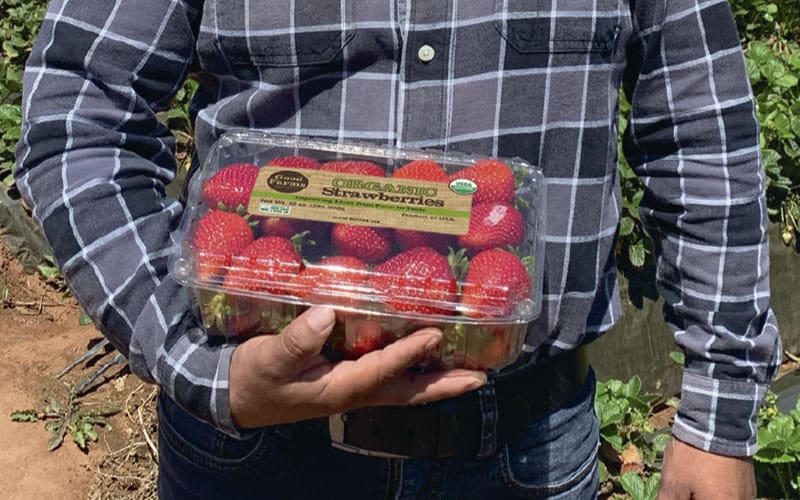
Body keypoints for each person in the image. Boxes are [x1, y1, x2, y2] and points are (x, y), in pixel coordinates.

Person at [15, 0, 781, 498]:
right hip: (252, 452)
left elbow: (701, 142)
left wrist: (718, 416)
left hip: (526, 446)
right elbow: (79, 115)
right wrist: (195, 364)